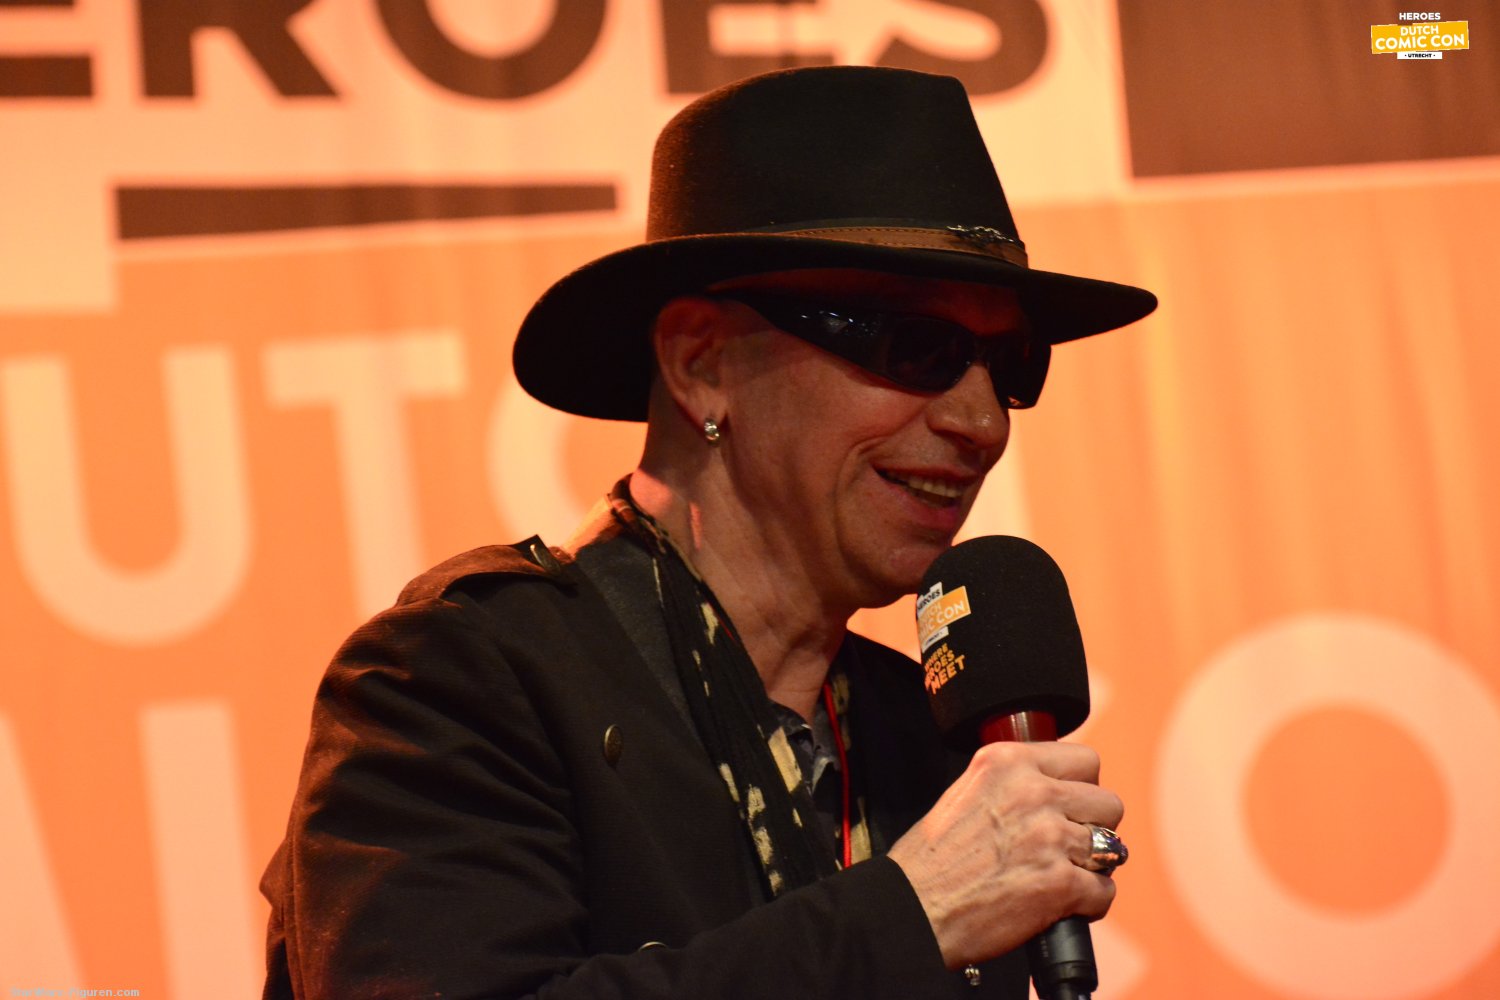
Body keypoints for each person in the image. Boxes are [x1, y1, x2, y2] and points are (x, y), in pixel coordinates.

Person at [261, 65, 1156, 999]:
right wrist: (911, 916)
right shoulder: (463, 681)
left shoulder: (919, 736)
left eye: (1010, 365)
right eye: (917, 348)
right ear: (701, 364)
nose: (982, 421)